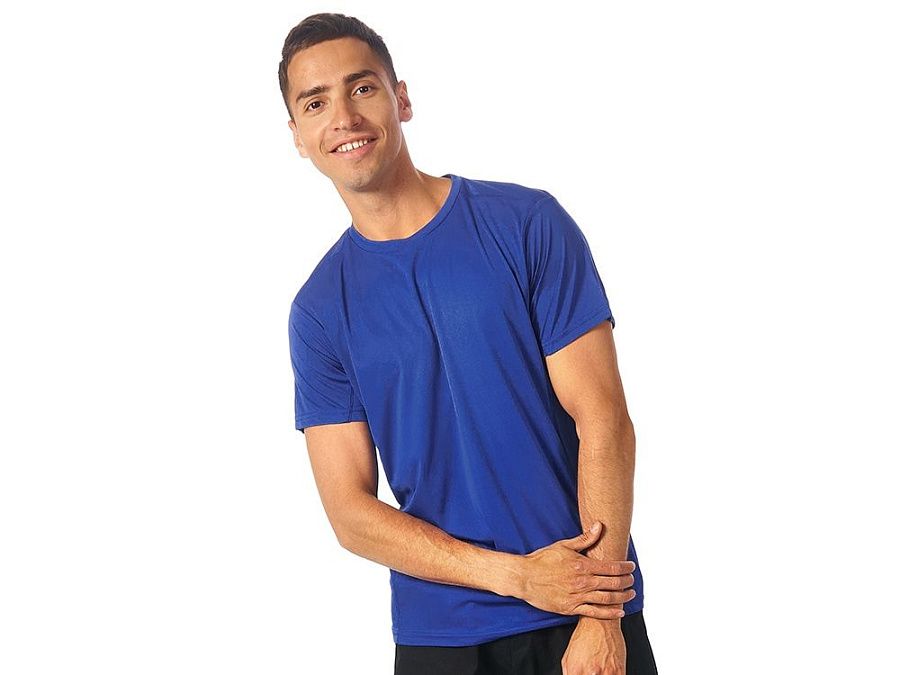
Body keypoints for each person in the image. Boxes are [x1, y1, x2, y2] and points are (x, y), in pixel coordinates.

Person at [280, 12, 658, 675]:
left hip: (581, 610)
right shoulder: (319, 310)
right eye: (316, 103)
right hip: (442, 636)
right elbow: (350, 512)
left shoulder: (526, 224)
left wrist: (600, 617)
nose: (344, 116)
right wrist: (516, 576)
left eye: (362, 87)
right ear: (298, 136)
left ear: (401, 98)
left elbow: (604, 420)